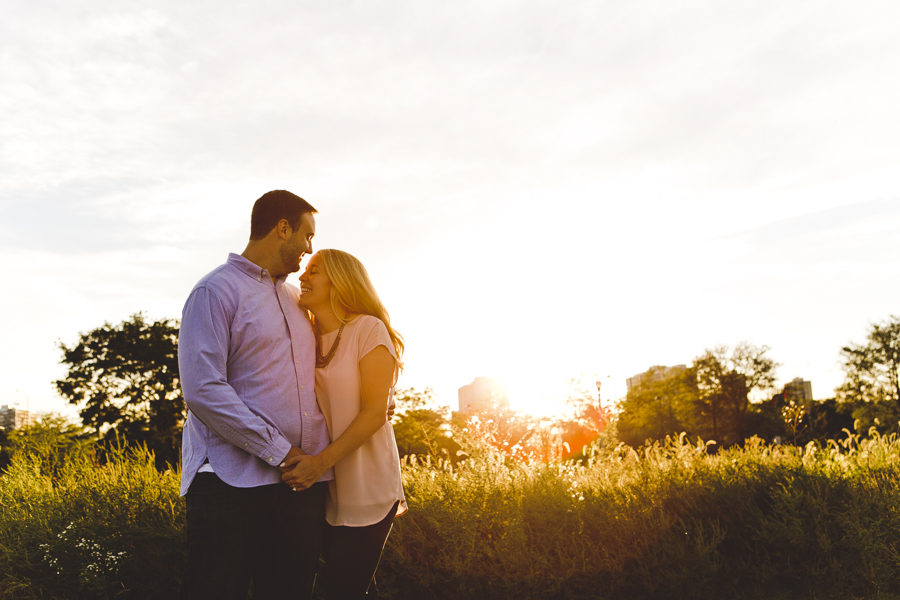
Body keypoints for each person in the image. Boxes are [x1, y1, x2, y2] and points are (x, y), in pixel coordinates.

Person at [178, 190, 332, 600]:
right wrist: (280, 451)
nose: (309, 249)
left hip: (298, 486)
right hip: (229, 483)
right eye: (307, 235)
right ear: (283, 229)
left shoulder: (297, 298)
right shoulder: (214, 291)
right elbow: (203, 390)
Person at [280, 249, 408, 599]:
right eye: (304, 271)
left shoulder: (368, 329)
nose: (303, 277)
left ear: (340, 282)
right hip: (323, 487)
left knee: (343, 590)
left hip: (367, 484)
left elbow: (375, 413)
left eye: (314, 271)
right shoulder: (304, 337)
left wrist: (317, 464)